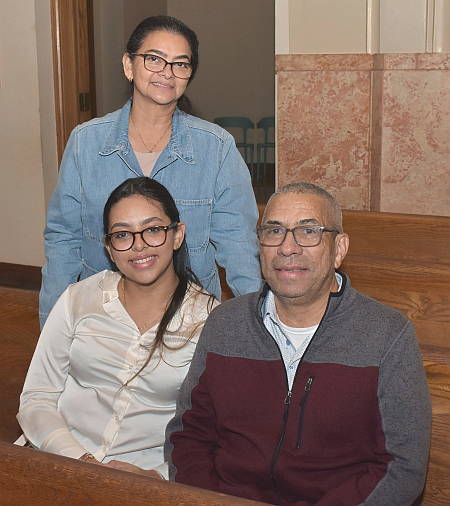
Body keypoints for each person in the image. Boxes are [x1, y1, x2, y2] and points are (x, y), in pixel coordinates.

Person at [166, 182, 432, 505]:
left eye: (308, 232)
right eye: (274, 231)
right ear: (260, 245)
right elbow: (189, 436)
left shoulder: (388, 336)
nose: (287, 248)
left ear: (339, 249)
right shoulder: (225, 324)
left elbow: (402, 467)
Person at [39, 15, 261, 329]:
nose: (167, 73)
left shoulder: (216, 147)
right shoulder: (85, 142)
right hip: (102, 320)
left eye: (180, 64)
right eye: (154, 59)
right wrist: (52, 327)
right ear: (129, 66)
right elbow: (63, 241)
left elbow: (239, 245)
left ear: (188, 76)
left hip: (188, 323)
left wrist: (258, 330)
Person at [18, 177, 217, 479]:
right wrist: (80, 460)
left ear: (177, 235)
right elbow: (37, 398)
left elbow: (216, 435)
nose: (138, 245)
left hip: (144, 479)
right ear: (109, 248)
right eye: (122, 234)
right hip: (58, 460)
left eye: (153, 230)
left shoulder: (209, 321)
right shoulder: (79, 298)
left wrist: (162, 476)